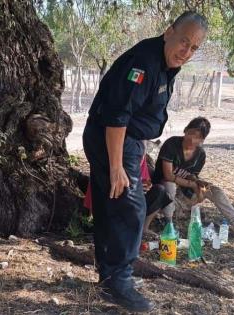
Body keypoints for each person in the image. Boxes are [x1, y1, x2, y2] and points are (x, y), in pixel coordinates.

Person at [82, 11, 208, 313]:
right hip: (113, 137)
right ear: (169, 32)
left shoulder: (165, 63)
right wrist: (116, 166)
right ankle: (119, 281)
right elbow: (117, 116)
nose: (186, 52)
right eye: (183, 42)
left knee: (110, 202)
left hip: (125, 140)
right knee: (132, 208)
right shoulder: (144, 62)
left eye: (194, 48)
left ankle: (108, 273)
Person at [152, 117, 234, 244]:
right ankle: (168, 225)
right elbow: (168, 176)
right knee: (170, 185)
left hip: (182, 195)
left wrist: (198, 185)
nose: (192, 139)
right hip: (161, 192)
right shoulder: (172, 144)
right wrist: (192, 184)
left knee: (215, 191)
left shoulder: (200, 154)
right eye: (190, 133)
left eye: (197, 137)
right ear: (185, 131)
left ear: (202, 140)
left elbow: (192, 175)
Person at [83, 155, 171, 237]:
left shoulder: (138, 155)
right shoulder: (108, 160)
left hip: (135, 201)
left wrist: (145, 185)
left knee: (159, 191)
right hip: (116, 202)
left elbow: (145, 179)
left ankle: (144, 228)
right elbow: (95, 192)